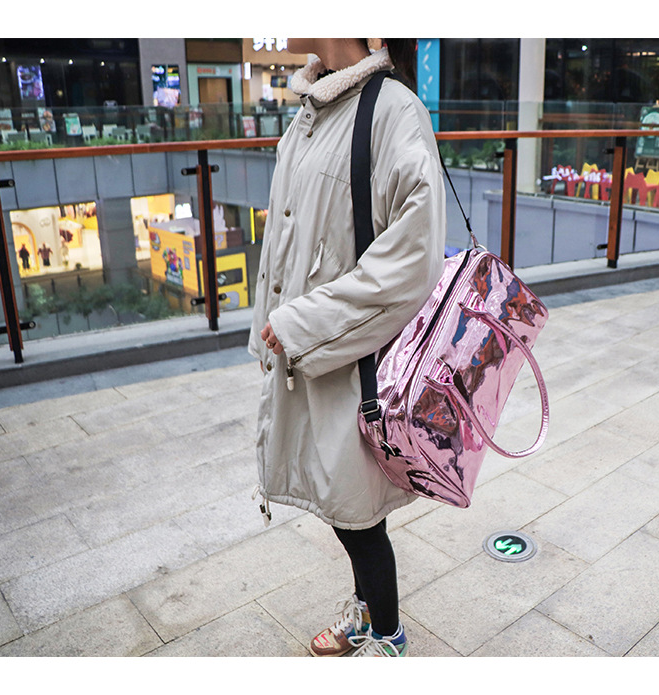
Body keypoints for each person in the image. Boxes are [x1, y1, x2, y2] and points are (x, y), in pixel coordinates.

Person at [247, 38, 446, 657]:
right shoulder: (313, 109)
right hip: (313, 354)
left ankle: (387, 637)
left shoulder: (393, 110)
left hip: (351, 359)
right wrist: (271, 332)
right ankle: (368, 616)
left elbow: (412, 259)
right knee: (348, 509)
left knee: (357, 513)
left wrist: (301, 324)